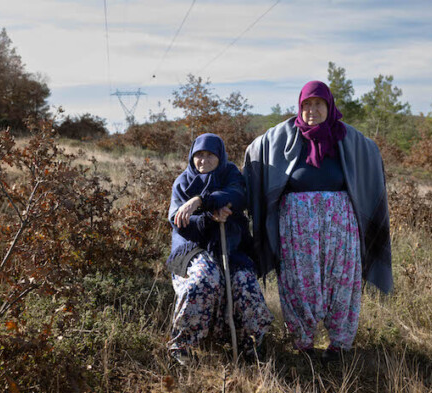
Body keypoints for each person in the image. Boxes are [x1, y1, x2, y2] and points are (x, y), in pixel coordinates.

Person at [244, 81, 392, 362]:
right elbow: (256, 151)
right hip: (297, 226)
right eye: (306, 105)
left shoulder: (347, 138)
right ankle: (303, 342)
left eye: (318, 104)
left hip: (340, 225)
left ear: (329, 106)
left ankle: (339, 344)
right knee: (299, 280)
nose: (312, 110)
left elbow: (370, 154)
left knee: (342, 280)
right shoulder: (285, 137)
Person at [166, 133, 273, 365]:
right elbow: (178, 221)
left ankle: (251, 345)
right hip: (194, 248)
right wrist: (209, 218)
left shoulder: (230, 173)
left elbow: (237, 194)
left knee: (245, 282)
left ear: (220, 156)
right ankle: (183, 345)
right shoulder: (183, 182)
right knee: (205, 278)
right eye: (199, 155)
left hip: (231, 246)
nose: (203, 160)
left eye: (210, 155)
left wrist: (202, 201)